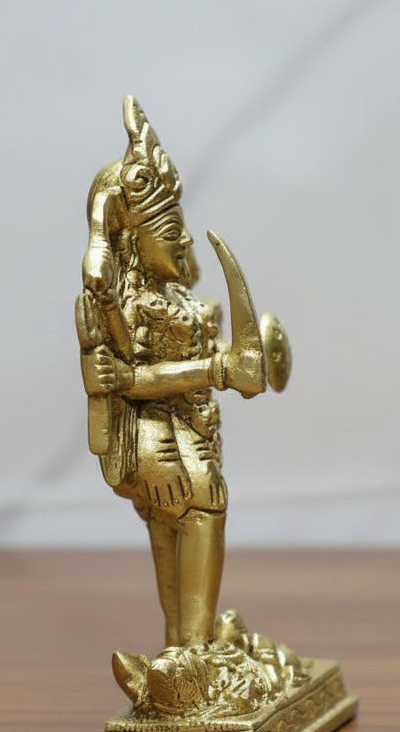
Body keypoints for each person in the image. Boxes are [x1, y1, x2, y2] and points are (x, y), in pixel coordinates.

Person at [76, 97, 271, 648]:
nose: (184, 240)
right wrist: (217, 369)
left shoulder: (173, 300)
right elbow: (128, 379)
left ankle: (187, 649)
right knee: (203, 510)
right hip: (159, 442)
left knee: (174, 535)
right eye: (171, 230)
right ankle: (192, 651)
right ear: (135, 241)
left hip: (190, 430)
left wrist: (240, 362)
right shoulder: (131, 306)